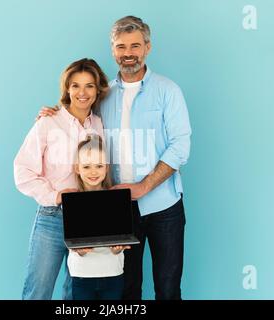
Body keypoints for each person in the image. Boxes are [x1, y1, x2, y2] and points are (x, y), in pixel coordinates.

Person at [37, 16, 191, 300]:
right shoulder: (102, 94)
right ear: (113, 50)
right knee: (126, 290)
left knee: (168, 289)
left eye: (135, 45)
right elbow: (79, 118)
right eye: (121, 46)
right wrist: (54, 112)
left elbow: (180, 146)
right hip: (117, 210)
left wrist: (144, 186)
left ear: (147, 47)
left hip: (164, 206)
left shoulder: (168, 91)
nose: (128, 53)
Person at [13, 58, 109, 300]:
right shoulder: (48, 122)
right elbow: (22, 171)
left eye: (89, 85)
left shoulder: (98, 124)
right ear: (67, 88)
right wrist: (56, 195)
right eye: (75, 85)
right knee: (38, 291)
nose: (82, 92)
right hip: (52, 217)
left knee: (76, 293)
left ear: (97, 90)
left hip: (88, 217)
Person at [68, 134, 131, 300]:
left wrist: (117, 249)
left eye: (99, 165)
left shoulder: (117, 200)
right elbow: (71, 240)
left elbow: (120, 238)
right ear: (77, 168)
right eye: (87, 166)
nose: (93, 172)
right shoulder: (71, 201)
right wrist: (79, 251)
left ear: (107, 167)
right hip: (82, 275)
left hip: (113, 273)